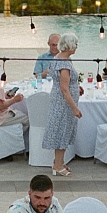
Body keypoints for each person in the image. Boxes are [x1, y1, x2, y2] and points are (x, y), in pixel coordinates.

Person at [44, 34, 81, 177]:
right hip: (63, 103)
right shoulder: (64, 65)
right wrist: (74, 108)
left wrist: (77, 88)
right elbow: (64, 88)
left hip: (59, 100)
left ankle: (59, 161)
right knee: (62, 131)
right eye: (76, 44)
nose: (77, 47)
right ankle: (57, 165)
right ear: (70, 46)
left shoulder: (59, 58)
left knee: (63, 131)